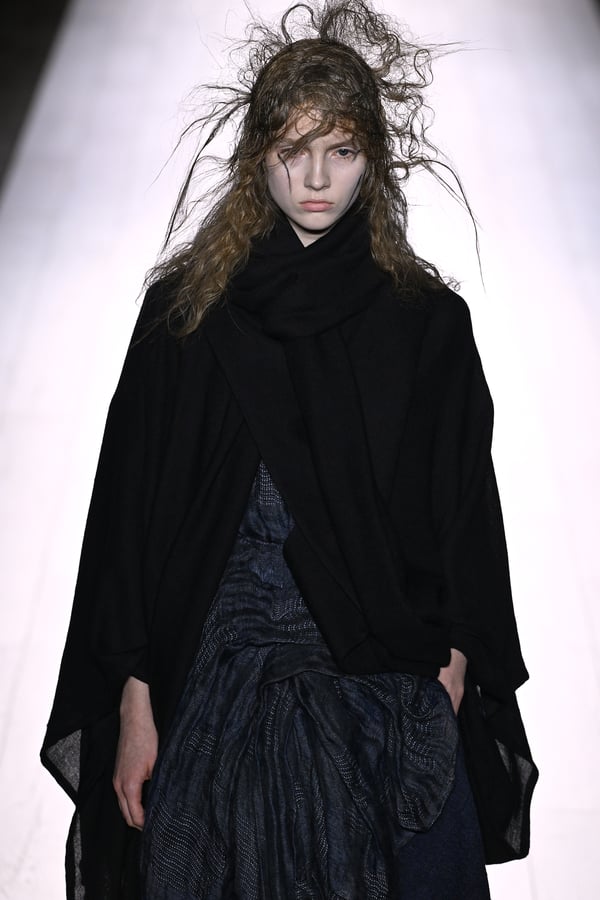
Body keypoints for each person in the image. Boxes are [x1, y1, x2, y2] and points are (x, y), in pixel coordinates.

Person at [41, 1, 538, 897]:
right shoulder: (189, 319)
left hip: (385, 666)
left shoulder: (426, 326)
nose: (315, 178)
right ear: (256, 156)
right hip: (213, 660)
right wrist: (136, 700)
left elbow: (465, 513)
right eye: (292, 149)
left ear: (373, 161)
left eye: (340, 151)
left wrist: (454, 672)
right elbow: (127, 527)